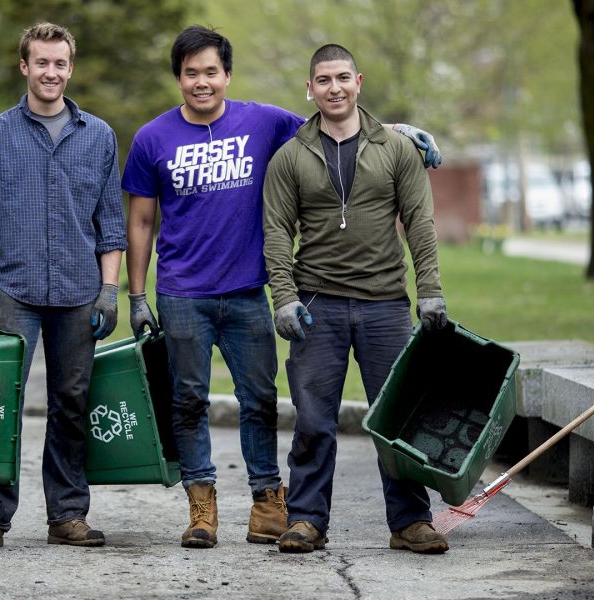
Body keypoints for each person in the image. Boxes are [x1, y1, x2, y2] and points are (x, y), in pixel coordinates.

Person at [122, 25, 441, 549]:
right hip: (190, 292)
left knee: (267, 403)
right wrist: (137, 296)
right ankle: (227, 512)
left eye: (211, 71)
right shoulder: (155, 138)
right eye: (190, 72)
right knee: (195, 402)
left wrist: (401, 130)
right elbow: (143, 222)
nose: (202, 82)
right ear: (178, 77)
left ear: (227, 75)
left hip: (259, 292)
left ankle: (290, 508)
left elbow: (342, 123)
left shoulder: (264, 122)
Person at [262, 43, 450, 555]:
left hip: (385, 304)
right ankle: (305, 520)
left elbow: (420, 223)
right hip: (315, 306)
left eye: (343, 77)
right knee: (313, 420)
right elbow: (277, 232)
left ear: (359, 81)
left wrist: (429, 291)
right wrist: (282, 297)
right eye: (323, 80)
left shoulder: (396, 149)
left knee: (397, 417)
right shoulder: (290, 157)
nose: (335, 88)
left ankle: (410, 520)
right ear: (310, 88)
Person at [0, 22, 126, 553]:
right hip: (13, 291)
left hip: (79, 294)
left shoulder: (98, 135)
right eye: (41, 63)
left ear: (69, 69)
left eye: (60, 64)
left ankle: (67, 515)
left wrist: (110, 290)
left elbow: (111, 225)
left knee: (72, 403)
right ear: (24, 66)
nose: (50, 72)